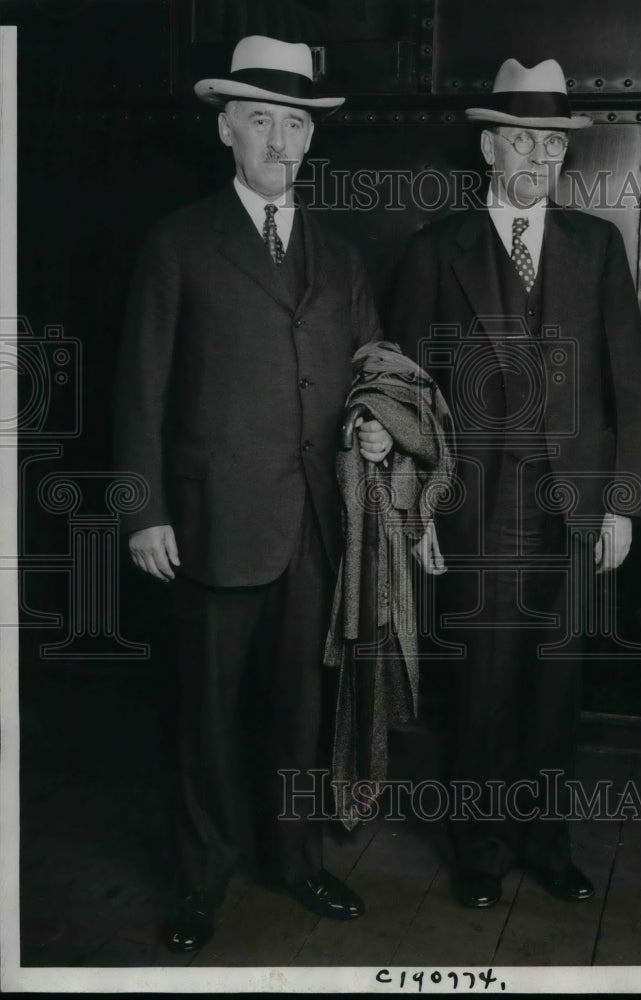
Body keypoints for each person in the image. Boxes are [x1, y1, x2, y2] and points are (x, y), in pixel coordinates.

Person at [113, 34, 393, 951]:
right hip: (210, 520)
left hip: (318, 523)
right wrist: (144, 510)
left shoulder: (341, 256)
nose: (283, 143)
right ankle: (200, 881)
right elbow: (140, 385)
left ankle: (295, 858)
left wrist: (381, 420)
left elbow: (370, 371)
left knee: (299, 709)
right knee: (206, 717)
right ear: (227, 127)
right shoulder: (179, 242)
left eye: (298, 125)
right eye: (264, 122)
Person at [390, 57, 641, 908]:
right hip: (475, 505)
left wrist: (620, 503)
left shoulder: (597, 246)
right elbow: (409, 395)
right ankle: (479, 853)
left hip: (572, 505)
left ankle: (546, 845)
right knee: (481, 689)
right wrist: (416, 504)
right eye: (522, 140)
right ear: (489, 147)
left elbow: (627, 386)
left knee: (555, 685)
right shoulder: (437, 250)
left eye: (553, 142)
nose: (538, 156)